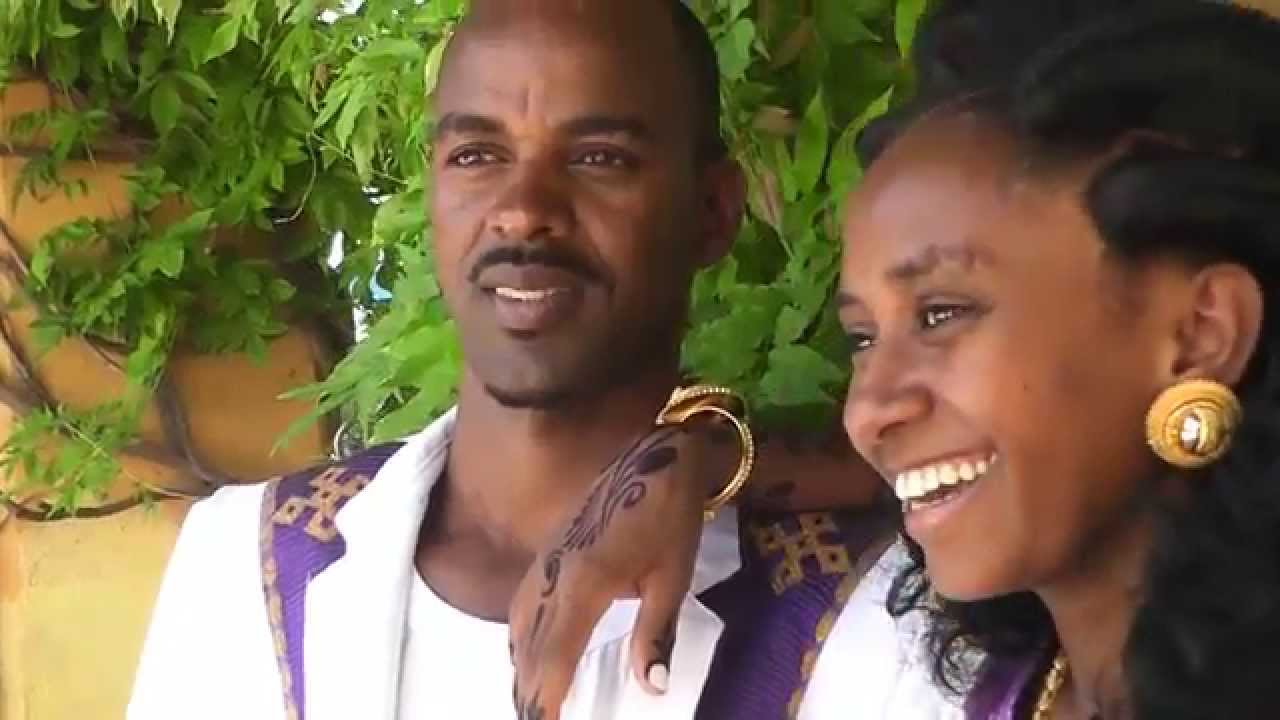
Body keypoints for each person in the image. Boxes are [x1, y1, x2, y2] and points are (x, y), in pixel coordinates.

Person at [127, 2, 957, 719]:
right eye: (476, 155)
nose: (522, 212)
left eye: (599, 158)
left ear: (712, 212)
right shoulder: (246, 566)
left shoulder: (872, 611)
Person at [522, 1, 1280, 718]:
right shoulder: (984, 684)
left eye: (942, 314)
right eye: (862, 338)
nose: (868, 411)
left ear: (1199, 333)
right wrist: (696, 456)